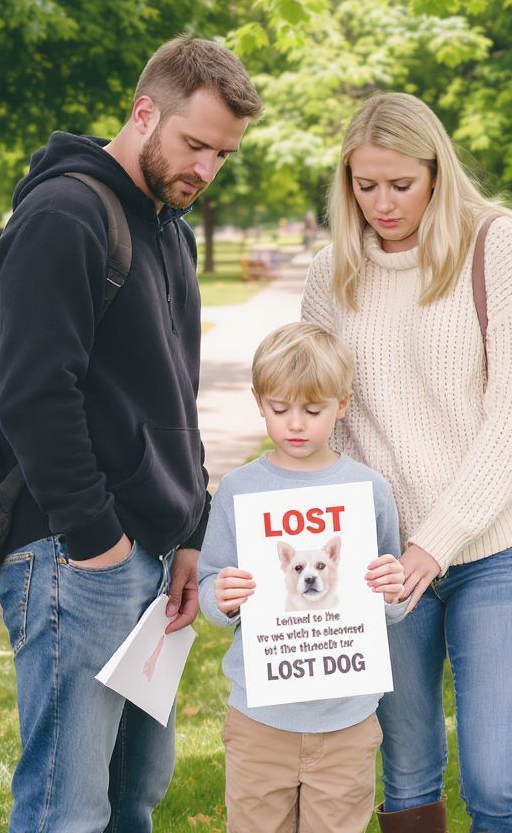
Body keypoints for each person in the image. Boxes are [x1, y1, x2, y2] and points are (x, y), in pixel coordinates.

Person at [0, 36, 262, 833]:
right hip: (78, 557)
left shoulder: (167, 224)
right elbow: (33, 397)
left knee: (132, 799)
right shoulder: (65, 214)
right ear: (146, 113)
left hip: (152, 562)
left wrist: (189, 531)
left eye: (224, 155)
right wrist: (97, 545)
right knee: (64, 811)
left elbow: (173, 395)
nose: (206, 169)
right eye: (195, 145)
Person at [300, 92, 512, 833]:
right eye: (364, 186)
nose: (381, 204)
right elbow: (322, 412)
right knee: (409, 771)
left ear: (436, 173)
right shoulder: (333, 272)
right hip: (382, 559)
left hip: (497, 548)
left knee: (494, 779)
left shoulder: (498, 246)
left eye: (400, 185)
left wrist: (436, 541)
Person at [198, 321, 406, 833]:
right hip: (259, 721)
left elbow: (392, 599)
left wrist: (392, 587)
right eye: (279, 409)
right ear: (258, 401)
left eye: (313, 411)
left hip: (347, 720)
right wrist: (221, 597)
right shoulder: (238, 491)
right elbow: (209, 585)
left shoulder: (368, 490)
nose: (296, 424)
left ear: (343, 404)